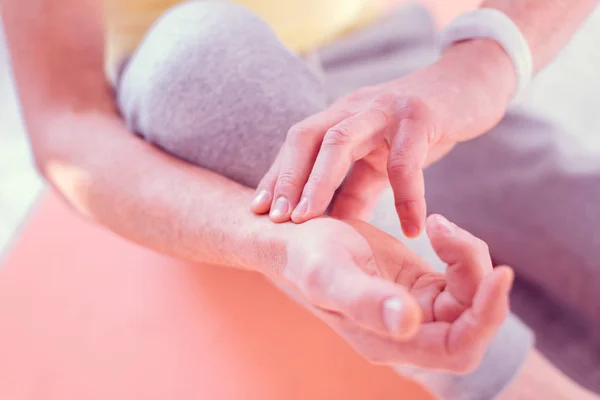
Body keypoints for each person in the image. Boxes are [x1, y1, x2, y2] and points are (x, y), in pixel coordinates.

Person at [0, 0, 597, 399]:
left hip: (406, 79)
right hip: (208, 119)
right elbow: (64, 123)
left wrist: (478, 70)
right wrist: (271, 242)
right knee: (197, 56)